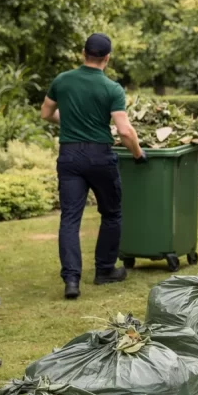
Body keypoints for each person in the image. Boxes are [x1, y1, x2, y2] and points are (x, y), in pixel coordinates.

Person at [41, 33, 147, 300]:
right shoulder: (112, 88)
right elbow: (124, 130)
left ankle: (72, 281)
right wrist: (137, 153)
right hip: (100, 156)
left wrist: (70, 123)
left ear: (82, 53)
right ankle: (104, 270)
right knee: (111, 213)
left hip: (69, 156)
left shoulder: (62, 80)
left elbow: (46, 113)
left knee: (70, 218)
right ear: (107, 58)